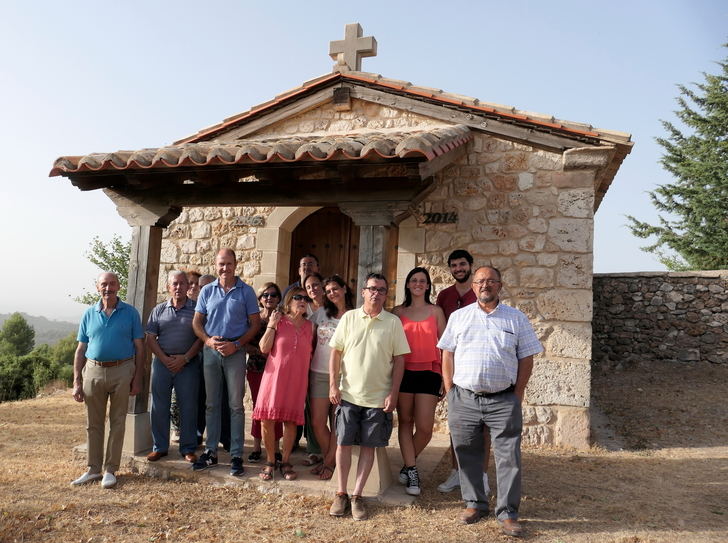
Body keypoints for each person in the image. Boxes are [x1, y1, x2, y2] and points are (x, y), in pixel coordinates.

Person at [439, 266, 543, 537]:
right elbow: (447, 354)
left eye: (491, 281)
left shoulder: (516, 318)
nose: (485, 285)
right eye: (480, 281)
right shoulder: (459, 317)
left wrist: (518, 393)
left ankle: (508, 513)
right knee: (466, 452)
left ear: (500, 285)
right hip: (464, 397)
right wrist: (450, 390)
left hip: (503, 399)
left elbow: (527, 357)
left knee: (509, 458)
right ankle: (475, 504)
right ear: (473, 286)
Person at [328, 273, 410, 521]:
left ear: (386, 295)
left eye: (382, 290)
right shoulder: (349, 318)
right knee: (343, 444)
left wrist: (393, 394)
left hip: (377, 399)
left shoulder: (393, 322)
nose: (376, 293)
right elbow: (335, 353)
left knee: (368, 447)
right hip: (349, 395)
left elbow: (399, 361)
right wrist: (333, 385)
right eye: (372, 289)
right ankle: (341, 493)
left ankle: (357, 495)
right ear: (363, 291)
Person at [71, 272, 144, 489]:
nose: (108, 288)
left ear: (118, 287)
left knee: (118, 422)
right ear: (97, 288)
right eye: (104, 284)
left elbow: (140, 347)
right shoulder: (89, 314)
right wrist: (76, 380)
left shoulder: (131, 313)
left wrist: (138, 377)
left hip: (122, 370)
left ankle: (110, 470)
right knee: (93, 423)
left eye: (112, 284)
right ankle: (93, 469)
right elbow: (80, 349)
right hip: (93, 370)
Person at [192, 249, 261, 476]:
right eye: (221, 264)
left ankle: (235, 455)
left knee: (236, 405)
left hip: (235, 351)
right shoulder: (207, 291)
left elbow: (255, 325)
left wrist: (237, 345)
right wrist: (208, 341)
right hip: (212, 351)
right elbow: (197, 323)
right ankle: (211, 452)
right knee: (211, 404)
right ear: (216, 264)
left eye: (229, 264)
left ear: (235, 264)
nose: (225, 268)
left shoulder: (246, 292)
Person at [435, 249, 491, 495]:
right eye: (454, 265)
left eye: (462, 264)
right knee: (457, 424)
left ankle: (483, 475)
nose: (458, 269)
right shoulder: (444, 295)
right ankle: (457, 472)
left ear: (470, 265)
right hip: (451, 364)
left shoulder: (479, 293)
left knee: (484, 427)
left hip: (476, 364)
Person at [392, 267, 446, 496]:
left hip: (430, 372)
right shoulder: (397, 311)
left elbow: (446, 346)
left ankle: (406, 463)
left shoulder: (436, 311)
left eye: (422, 281)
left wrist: (446, 377)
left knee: (424, 428)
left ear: (427, 285)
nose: (418, 284)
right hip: (403, 373)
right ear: (407, 284)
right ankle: (412, 470)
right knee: (405, 421)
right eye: (414, 280)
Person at [254, 287, 314, 481]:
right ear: (288, 301)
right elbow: (263, 347)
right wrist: (272, 324)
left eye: (306, 298)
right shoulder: (279, 321)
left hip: (296, 380)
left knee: (290, 421)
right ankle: (271, 460)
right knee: (267, 420)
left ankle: (286, 461)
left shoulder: (311, 327)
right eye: (298, 297)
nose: (303, 300)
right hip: (274, 378)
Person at [145, 271, 203, 464]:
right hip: (162, 364)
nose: (178, 287)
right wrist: (164, 358)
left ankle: (187, 448)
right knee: (159, 406)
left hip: (188, 365)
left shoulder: (197, 309)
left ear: (188, 286)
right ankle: (160, 447)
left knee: (188, 406)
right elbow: (150, 338)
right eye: (174, 284)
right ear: (168, 287)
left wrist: (185, 358)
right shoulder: (159, 310)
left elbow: (200, 338)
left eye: (182, 284)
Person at [308, 275, 354, 480]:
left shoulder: (355, 316)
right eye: (328, 291)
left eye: (335, 288)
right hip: (318, 373)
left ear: (344, 288)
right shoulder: (320, 314)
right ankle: (331, 459)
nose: (332, 293)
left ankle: (328, 463)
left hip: (344, 376)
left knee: (337, 424)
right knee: (317, 422)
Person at [245, 282, 283, 463]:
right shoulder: (253, 319)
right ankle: (256, 447)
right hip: (256, 368)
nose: (269, 298)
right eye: (266, 295)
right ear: (260, 299)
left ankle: (275, 448)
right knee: (258, 409)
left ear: (279, 298)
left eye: (274, 295)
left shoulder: (283, 319)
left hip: (276, 371)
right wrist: (258, 351)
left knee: (275, 409)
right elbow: (243, 341)